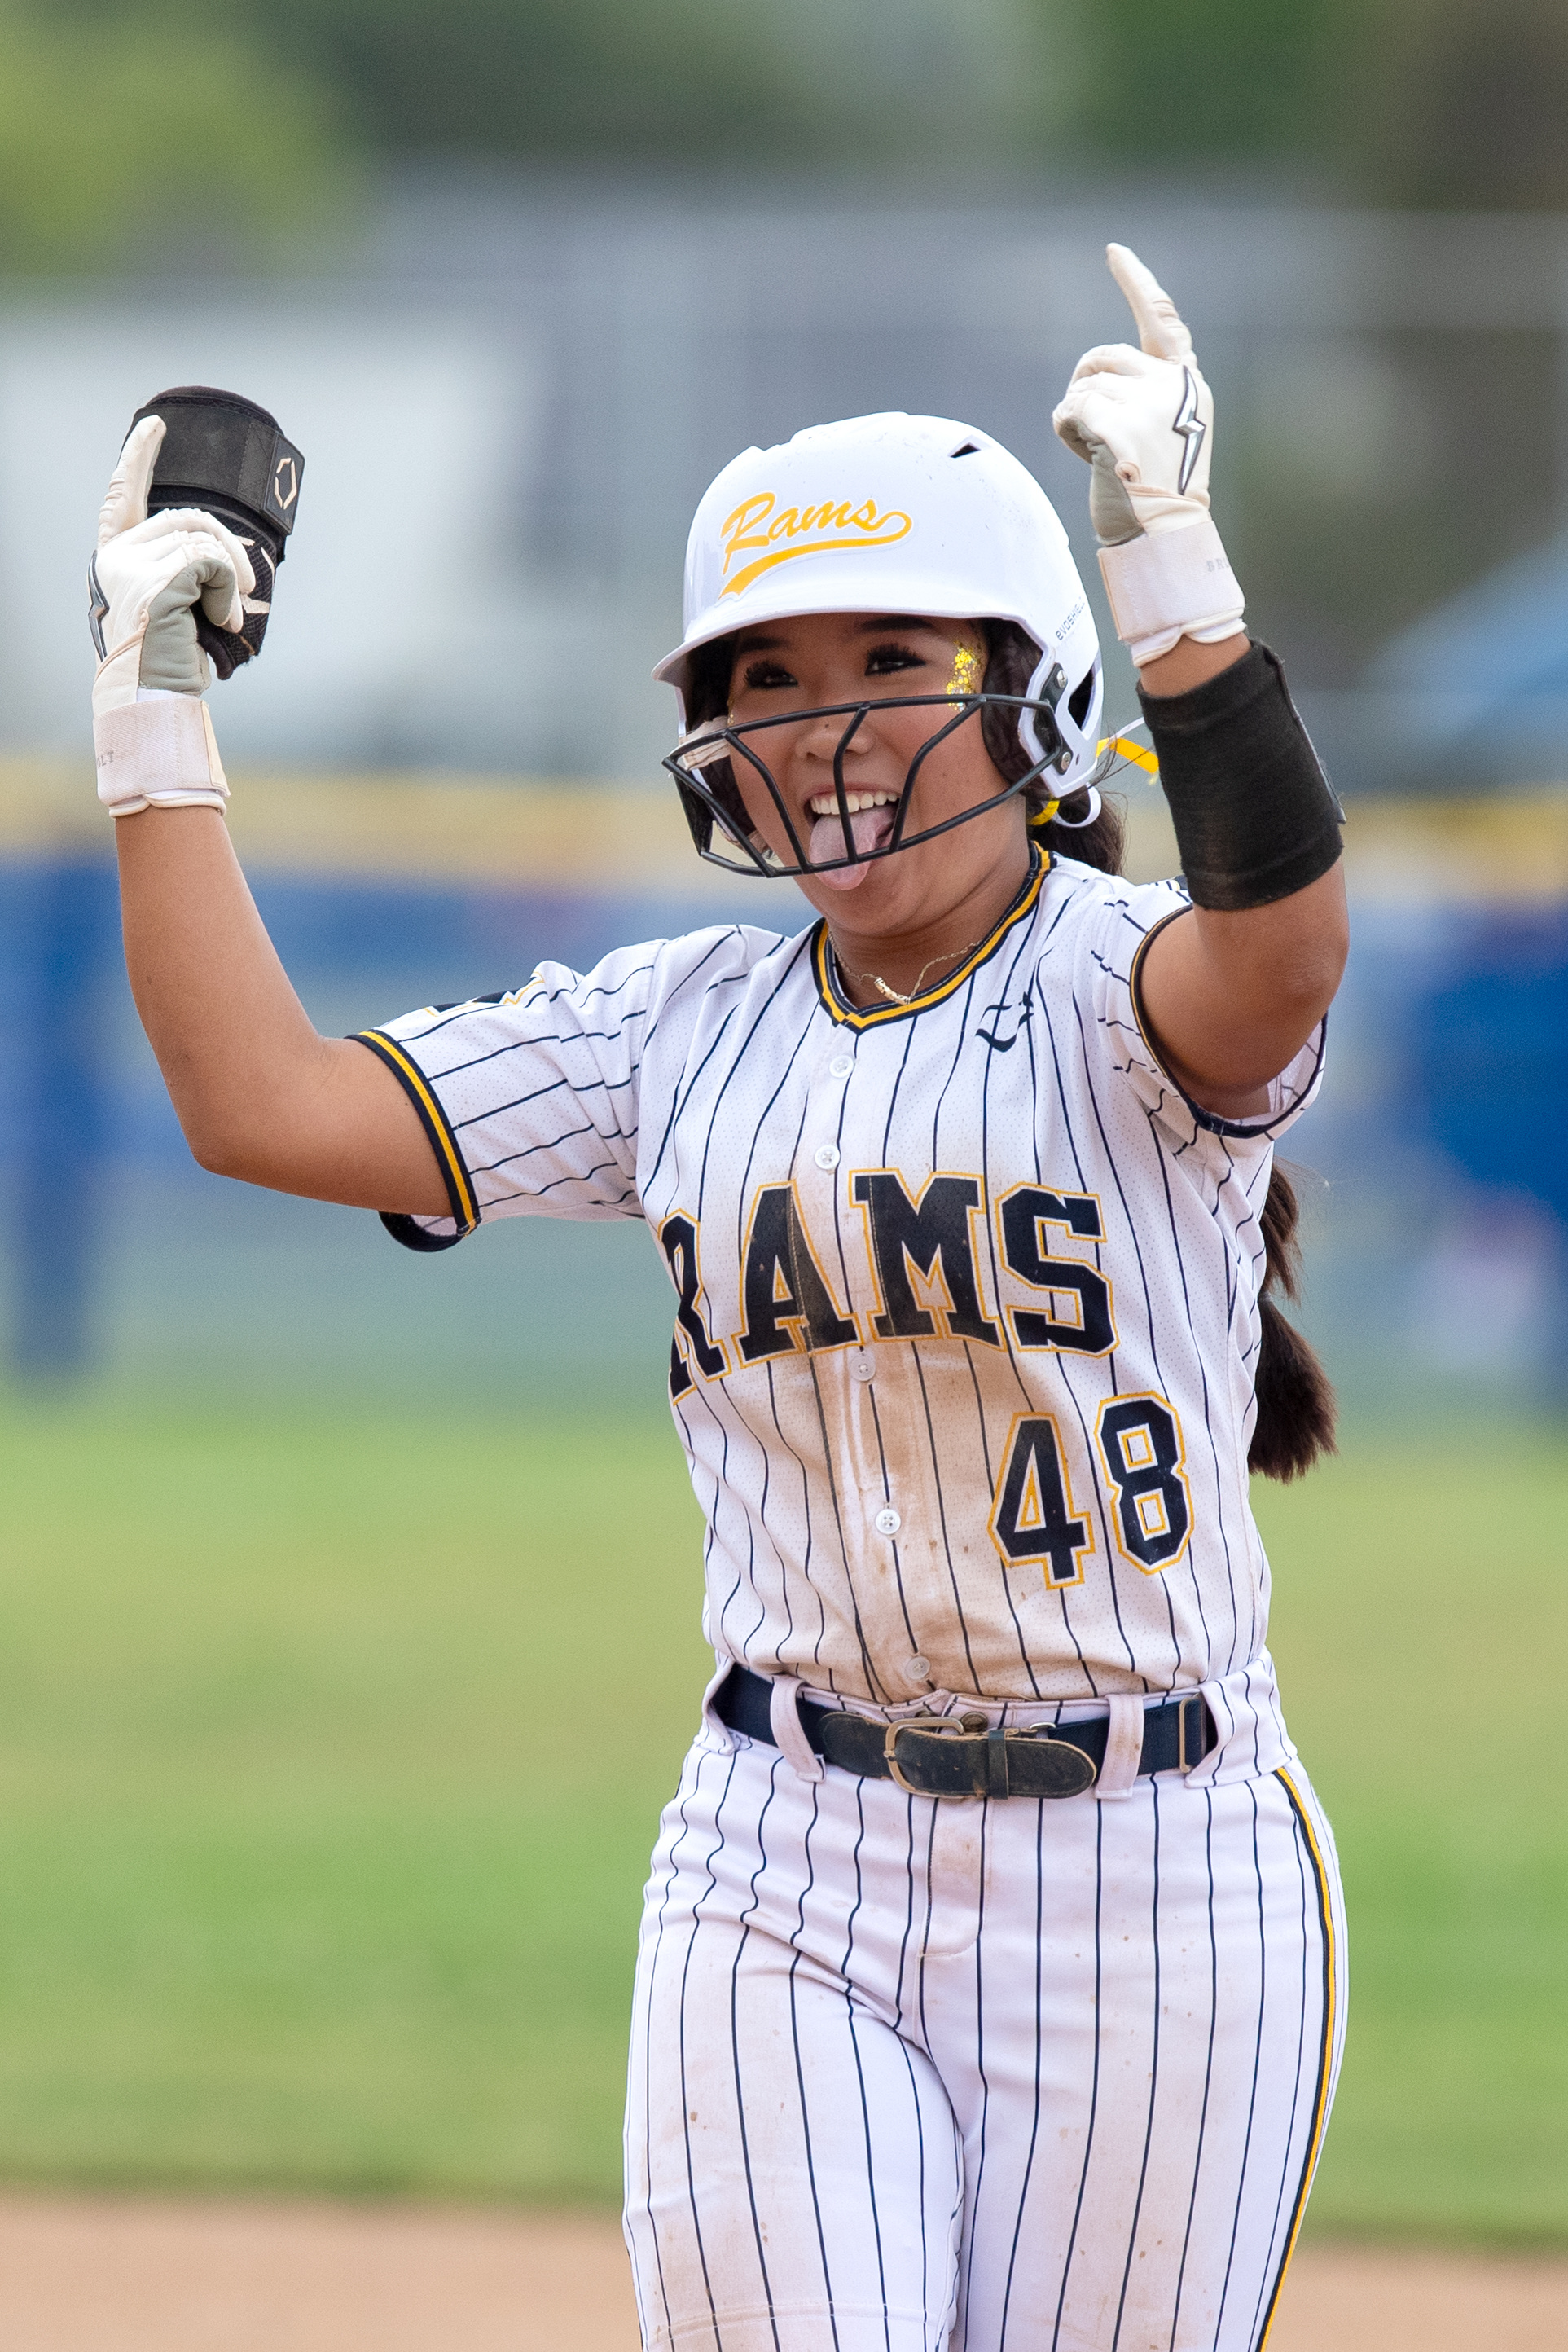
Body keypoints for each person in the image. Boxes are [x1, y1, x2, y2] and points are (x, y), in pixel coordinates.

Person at [94, 246, 1347, 2351]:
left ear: (1034, 691)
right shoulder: (666, 1031)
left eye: (883, 655)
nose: (821, 721)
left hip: (1161, 1870)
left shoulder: (1122, 985)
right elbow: (264, 1103)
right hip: (785, 1854)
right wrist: (151, 702)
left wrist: (1177, 576)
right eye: (761, 679)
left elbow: (1280, 956)